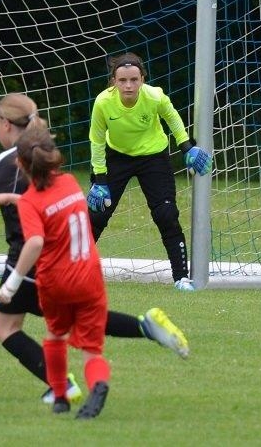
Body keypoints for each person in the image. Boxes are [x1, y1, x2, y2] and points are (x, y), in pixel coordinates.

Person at [0, 93, 189, 404]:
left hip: (31, 257)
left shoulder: (14, 158)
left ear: (5, 124)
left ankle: (62, 386)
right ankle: (145, 327)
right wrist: (10, 199)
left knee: (6, 327)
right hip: (68, 255)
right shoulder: (44, 150)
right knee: (83, 318)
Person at [0, 124, 109, 418]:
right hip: (89, 276)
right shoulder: (71, 183)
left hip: (56, 282)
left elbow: (35, 241)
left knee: (55, 337)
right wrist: (13, 199)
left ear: (20, 163)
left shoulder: (31, 202)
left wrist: (12, 284)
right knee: (92, 350)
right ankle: (98, 384)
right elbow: (53, 205)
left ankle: (60, 397)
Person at [87, 52, 213, 291]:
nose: (128, 85)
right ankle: (71, 271)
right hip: (117, 157)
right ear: (113, 81)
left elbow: (172, 117)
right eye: (123, 80)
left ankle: (181, 278)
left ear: (142, 79)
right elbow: (97, 140)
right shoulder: (103, 102)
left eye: (134, 79)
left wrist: (187, 146)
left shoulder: (155, 96)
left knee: (166, 214)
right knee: (97, 214)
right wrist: (99, 179)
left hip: (154, 158)